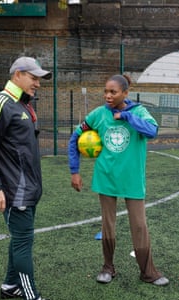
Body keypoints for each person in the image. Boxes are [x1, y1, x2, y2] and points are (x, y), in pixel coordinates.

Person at [0, 56, 65, 300]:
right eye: (34, 78)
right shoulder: (1, 103)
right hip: (16, 192)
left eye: (39, 79)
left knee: (20, 239)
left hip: (28, 189)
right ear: (18, 75)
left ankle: (10, 285)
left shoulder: (20, 104)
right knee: (24, 243)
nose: (38, 83)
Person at [68, 74, 169, 287]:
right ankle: (107, 267)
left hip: (132, 179)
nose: (108, 95)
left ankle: (148, 271)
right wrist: (74, 171)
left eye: (113, 92)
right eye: (106, 91)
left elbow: (152, 131)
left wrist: (126, 117)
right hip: (106, 177)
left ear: (125, 93)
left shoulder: (139, 112)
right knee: (108, 225)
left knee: (139, 225)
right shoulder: (98, 115)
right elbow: (75, 137)